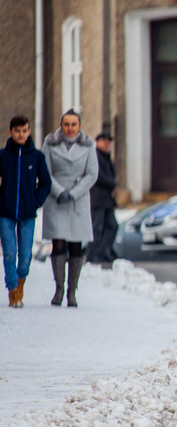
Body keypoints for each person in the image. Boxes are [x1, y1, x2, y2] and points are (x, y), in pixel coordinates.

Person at [42, 110, 98, 307]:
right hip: (56, 198)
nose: (70, 128)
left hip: (78, 199)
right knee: (58, 244)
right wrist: (59, 191)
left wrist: (73, 193)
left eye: (74, 124)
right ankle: (58, 288)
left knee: (76, 244)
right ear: (61, 125)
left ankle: (72, 291)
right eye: (66, 124)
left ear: (79, 126)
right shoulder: (50, 143)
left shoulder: (88, 145)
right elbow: (45, 171)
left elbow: (92, 174)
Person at [0, 115, 52, 307]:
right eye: (17, 131)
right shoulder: (3, 156)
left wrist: (35, 201)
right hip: (6, 213)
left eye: (24, 131)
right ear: (11, 132)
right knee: (9, 253)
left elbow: (46, 183)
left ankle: (21, 281)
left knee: (25, 256)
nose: (21, 134)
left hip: (28, 213)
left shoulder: (37, 157)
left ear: (29, 132)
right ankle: (12, 290)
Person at [86, 132, 118, 264]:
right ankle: (93, 254)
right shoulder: (95, 157)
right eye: (104, 141)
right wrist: (112, 184)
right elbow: (97, 176)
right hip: (97, 199)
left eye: (108, 142)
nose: (107, 144)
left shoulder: (106, 157)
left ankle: (105, 252)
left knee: (112, 226)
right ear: (97, 142)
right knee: (96, 228)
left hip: (107, 200)